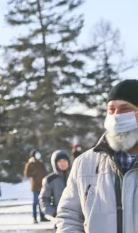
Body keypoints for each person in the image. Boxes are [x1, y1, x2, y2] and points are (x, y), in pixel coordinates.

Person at [56, 79, 138, 232]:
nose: (116, 116)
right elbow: (69, 216)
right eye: (111, 110)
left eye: (125, 109)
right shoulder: (84, 163)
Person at [39, 150, 70, 228]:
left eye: (64, 160)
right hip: (60, 219)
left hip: (78, 219)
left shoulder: (76, 177)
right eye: (60, 161)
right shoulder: (50, 180)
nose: (62, 163)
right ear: (55, 163)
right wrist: (54, 213)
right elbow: (44, 199)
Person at [24, 150, 48, 223]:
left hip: (42, 186)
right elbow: (27, 174)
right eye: (36, 154)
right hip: (35, 186)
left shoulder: (41, 163)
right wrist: (33, 173)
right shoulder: (30, 164)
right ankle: (34, 217)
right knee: (35, 202)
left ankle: (42, 217)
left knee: (41, 202)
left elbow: (45, 172)